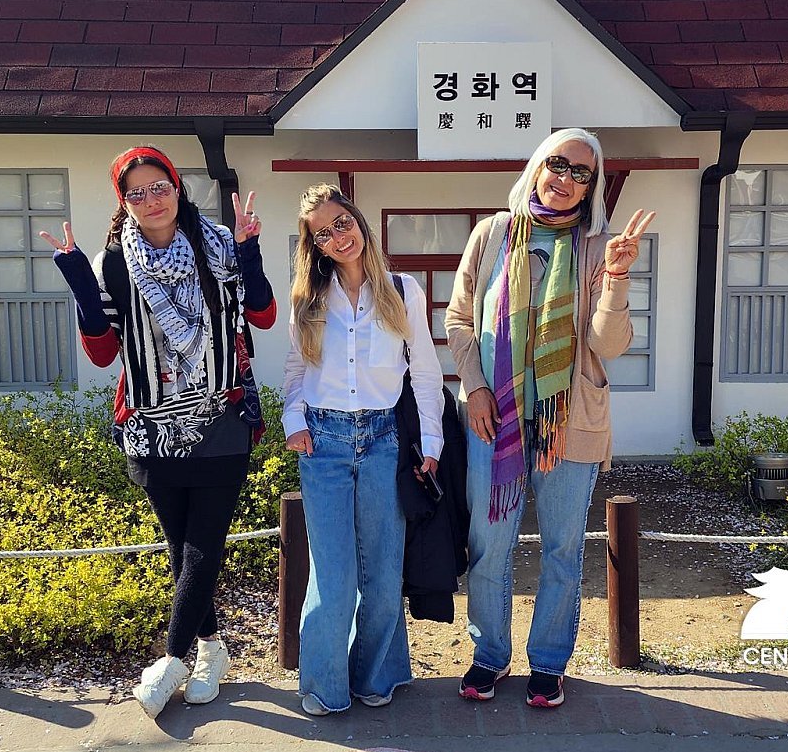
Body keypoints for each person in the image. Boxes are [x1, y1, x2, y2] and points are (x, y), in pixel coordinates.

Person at [38, 146, 275, 718]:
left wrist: (249, 250)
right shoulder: (114, 262)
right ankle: (212, 650)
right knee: (180, 548)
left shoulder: (220, 244)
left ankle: (171, 660)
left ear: (177, 186)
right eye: (136, 193)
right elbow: (103, 352)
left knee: (203, 545)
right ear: (123, 202)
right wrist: (80, 281)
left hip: (220, 416)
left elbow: (263, 314)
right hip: (151, 424)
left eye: (159, 186)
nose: (150, 200)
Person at [444, 128, 656, 708]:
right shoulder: (492, 235)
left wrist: (616, 277)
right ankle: (489, 655)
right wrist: (476, 387)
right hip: (494, 420)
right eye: (558, 164)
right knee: (489, 546)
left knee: (562, 550)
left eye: (581, 173)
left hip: (570, 422)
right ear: (537, 166)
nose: (565, 179)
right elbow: (459, 319)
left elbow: (608, 344)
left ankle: (548, 663)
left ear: (592, 186)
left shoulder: (598, 247)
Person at [281, 183, 445, 717]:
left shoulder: (402, 290)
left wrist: (432, 441)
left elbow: (424, 372)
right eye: (323, 233)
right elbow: (295, 370)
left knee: (382, 570)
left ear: (358, 221)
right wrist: (293, 421)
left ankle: (376, 675)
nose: (338, 236)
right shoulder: (308, 298)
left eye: (342, 223)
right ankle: (324, 686)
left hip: (383, 441)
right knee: (333, 575)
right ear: (315, 245)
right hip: (323, 442)